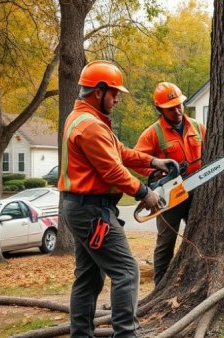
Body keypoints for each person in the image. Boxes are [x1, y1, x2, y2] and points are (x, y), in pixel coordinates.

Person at [58, 60, 175, 338]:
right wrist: (145, 193)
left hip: (82, 207)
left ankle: (81, 335)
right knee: (127, 271)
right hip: (92, 211)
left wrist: (153, 161)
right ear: (98, 91)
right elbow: (112, 170)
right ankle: (126, 334)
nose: (118, 98)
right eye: (114, 92)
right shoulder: (91, 127)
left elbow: (119, 152)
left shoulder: (87, 120)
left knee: (88, 277)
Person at [134, 82, 206, 286]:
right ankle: (161, 285)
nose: (177, 110)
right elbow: (136, 160)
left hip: (197, 191)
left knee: (201, 235)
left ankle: (197, 282)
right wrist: (156, 171)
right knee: (166, 242)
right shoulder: (153, 133)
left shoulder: (197, 127)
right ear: (160, 109)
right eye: (171, 108)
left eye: (179, 105)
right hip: (170, 195)